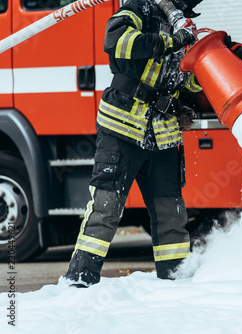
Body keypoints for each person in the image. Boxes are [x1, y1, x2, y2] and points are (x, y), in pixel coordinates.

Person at [64, 0, 204, 287]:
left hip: (164, 135)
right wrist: (173, 40)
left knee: (171, 215)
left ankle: (177, 283)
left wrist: (210, 64)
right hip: (122, 126)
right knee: (107, 207)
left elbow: (186, 83)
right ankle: (79, 282)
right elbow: (117, 41)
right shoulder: (141, 8)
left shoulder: (189, 29)